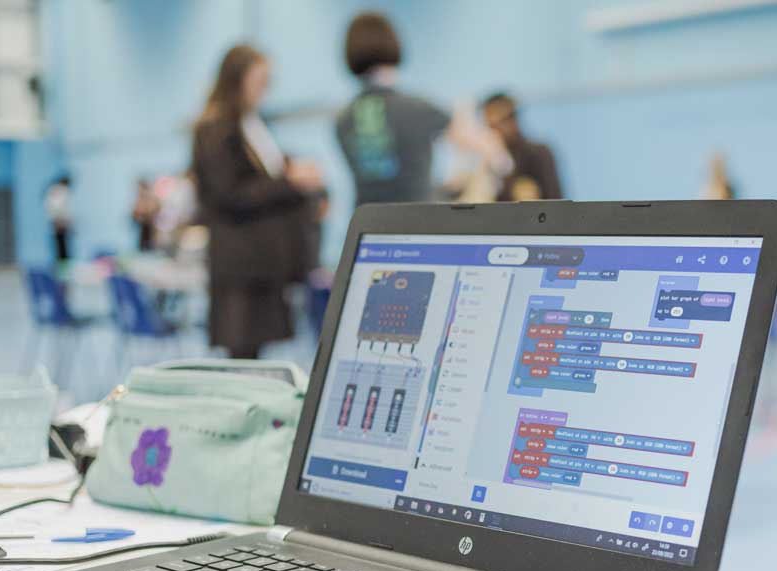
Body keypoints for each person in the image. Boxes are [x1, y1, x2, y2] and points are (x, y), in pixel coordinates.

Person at [191, 44, 325, 360]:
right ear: (238, 78)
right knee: (242, 357)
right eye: (260, 79)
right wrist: (290, 182)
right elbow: (229, 193)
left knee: (253, 355)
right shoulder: (217, 128)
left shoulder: (250, 123)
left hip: (261, 262)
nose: (266, 87)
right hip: (241, 265)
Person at [335, 12, 508, 206]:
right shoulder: (418, 109)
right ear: (392, 43)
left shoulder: (341, 120)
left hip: (365, 226)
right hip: (414, 224)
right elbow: (489, 151)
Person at [481, 92, 563, 202]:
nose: (494, 131)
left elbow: (555, 200)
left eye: (498, 123)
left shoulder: (538, 153)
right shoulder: (489, 158)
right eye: (490, 126)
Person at [44, 174, 73, 262]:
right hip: (59, 222)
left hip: (56, 222)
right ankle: (64, 271)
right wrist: (62, 222)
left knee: (61, 248)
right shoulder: (60, 190)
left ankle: (63, 268)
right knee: (62, 249)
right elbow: (58, 208)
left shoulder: (52, 190)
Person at [131, 178, 161, 252]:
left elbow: (154, 210)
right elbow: (134, 215)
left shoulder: (152, 199)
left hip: (152, 234)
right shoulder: (139, 200)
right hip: (143, 234)